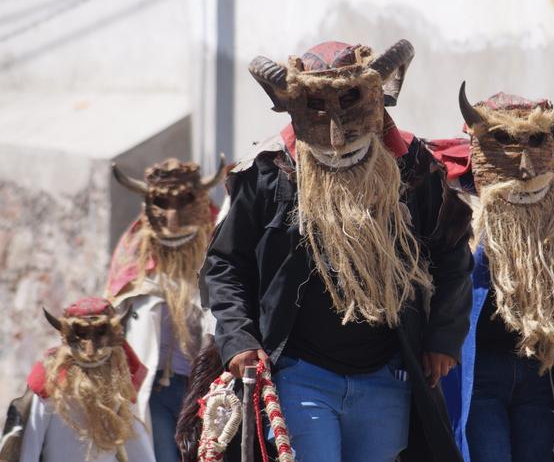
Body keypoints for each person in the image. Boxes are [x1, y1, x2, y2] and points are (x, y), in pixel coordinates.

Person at [200, 39, 474, 462]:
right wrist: (237, 338)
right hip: (298, 374)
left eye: (349, 99)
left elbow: (451, 254)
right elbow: (224, 264)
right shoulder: (272, 170)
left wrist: (443, 336)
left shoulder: (414, 168)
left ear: (377, 98)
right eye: (315, 104)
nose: (335, 126)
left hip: (388, 373)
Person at [437, 83, 554, 462]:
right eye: (506, 143)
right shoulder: (458, 207)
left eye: (533, 143)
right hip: (478, 375)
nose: (522, 164)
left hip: (546, 371)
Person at [107, 158, 224, 462]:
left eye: (185, 201)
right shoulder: (135, 272)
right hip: (156, 388)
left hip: (206, 388)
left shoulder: (219, 269)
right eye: (162, 203)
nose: (173, 218)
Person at [10, 297, 153, 462]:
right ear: (68, 336)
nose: (90, 351)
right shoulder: (49, 382)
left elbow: (135, 441)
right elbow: (30, 445)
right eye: (81, 334)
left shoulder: (118, 382)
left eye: (99, 333)